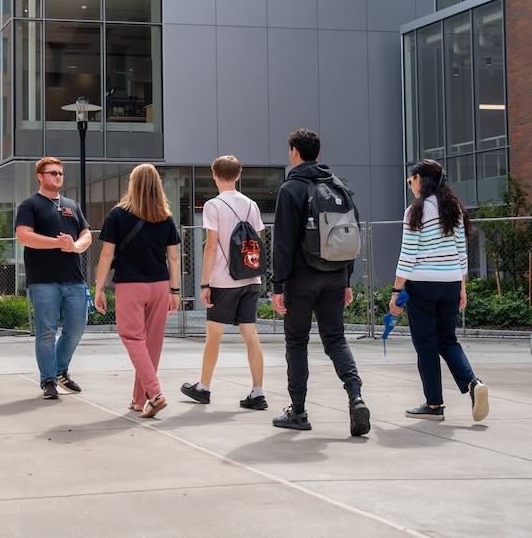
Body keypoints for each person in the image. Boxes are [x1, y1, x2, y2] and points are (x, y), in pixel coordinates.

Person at [270, 129, 370, 436]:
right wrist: (348, 278)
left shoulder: (292, 188)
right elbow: (349, 232)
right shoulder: (338, 186)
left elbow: (283, 243)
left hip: (301, 278)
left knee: (297, 342)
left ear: (296, 153)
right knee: (335, 339)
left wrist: (278, 286)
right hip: (336, 275)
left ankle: (298, 412)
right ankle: (355, 396)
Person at [390, 159, 489, 422]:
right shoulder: (453, 208)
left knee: (426, 343)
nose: (410, 184)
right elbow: (461, 251)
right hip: (451, 282)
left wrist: (395, 291)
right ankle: (472, 383)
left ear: (420, 179)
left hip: (422, 284)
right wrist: (462, 288)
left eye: (411, 180)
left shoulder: (416, 211)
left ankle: (434, 405)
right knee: (447, 339)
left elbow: (407, 255)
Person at [181, 155, 268, 411]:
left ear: (214, 175)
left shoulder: (213, 205)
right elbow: (258, 240)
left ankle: (204, 388)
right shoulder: (252, 205)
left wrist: (204, 284)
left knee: (214, 335)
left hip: (223, 280)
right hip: (250, 278)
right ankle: (257, 392)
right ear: (239, 175)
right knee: (250, 334)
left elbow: (210, 247)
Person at [93, 164, 181, 418]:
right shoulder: (166, 217)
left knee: (132, 339)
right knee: (151, 345)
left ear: (133, 184)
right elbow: (173, 258)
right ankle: (138, 399)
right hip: (160, 285)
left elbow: (107, 254)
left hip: (131, 286)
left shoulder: (117, 215)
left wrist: (99, 289)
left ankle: (155, 393)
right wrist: (174, 291)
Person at [14, 156, 93, 400]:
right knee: (46, 331)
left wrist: (76, 247)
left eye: (60, 173)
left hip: (74, 279)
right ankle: (48, 379)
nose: (57, 176)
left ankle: (60, 370)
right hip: (44, 280)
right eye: (52, 173)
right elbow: (24, 236)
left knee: (77, 328)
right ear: (40, 176)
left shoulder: (71, 204)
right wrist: (57, 244)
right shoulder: (30, 205)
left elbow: (86, 234)